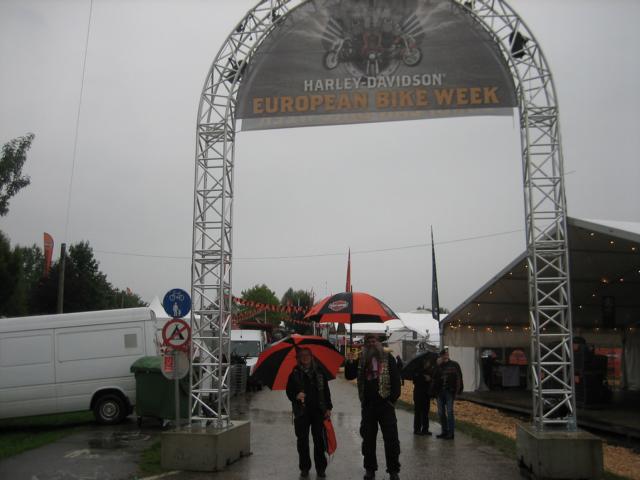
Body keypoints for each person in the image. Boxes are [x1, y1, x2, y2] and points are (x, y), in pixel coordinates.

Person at [345, 333, 401, 480]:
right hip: (368, 406)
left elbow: (396, 379)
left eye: (373, 341)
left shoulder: (388, 358)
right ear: (365, 344)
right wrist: (349, 361)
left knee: (391, 439)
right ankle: (370, 469)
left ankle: (393, 470)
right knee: (368, 440)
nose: (371, 343)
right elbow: (349, 376)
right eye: (368, 341)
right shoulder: (361, 359)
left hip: (386, 405)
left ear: (378, 342)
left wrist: (392, 399)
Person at [286, 348, 332, 478]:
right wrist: (296, 395)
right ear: (298, 358)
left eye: (307, 355)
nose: (305, 357)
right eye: (302, 355)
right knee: (302, 442)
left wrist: (328, 407)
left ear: (312, 357)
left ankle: (321, 468)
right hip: (301, 412)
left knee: (319, 441)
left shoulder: (320, 372)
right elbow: (289, 391)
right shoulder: (294, 373)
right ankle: (305, 468)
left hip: (318, 411)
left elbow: (326, 391)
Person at [434, 348, 463, 440]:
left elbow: (459, 378)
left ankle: (451, 433)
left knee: (450, 412)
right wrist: (437, 366)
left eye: (446, 354)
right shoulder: (439, 365)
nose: (445, 356)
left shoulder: (454, 365)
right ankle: (444, 431)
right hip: (439, 392)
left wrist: (457, 391)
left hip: (449, 392)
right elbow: (434, 377)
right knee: (441, 413)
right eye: (443, 355)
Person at [411, 355, 436, 436]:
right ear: (423, 362)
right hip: (418, 393)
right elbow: (415, 380)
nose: (428, 363)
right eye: (427, 362)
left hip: (426, 394)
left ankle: (425, 429)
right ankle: (417, 429)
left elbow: (432, 379)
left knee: (426, 412)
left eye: (429, 362)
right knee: (418, 411)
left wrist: (430, 379)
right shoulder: (417, 370)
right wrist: (423, 378)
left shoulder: (429, 371)